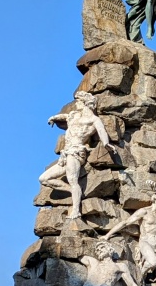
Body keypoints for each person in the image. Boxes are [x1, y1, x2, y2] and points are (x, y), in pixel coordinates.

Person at [38, 92, 111, 220]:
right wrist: (54, 117)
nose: (76, 104)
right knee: (44, 178)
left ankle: (76, 210)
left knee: (73, 180)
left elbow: (102, 131)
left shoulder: (93, 120)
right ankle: (74, 192)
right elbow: (65, 117)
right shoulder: (75, 116)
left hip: (76, 152)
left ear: (85, 103)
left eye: (78, 102)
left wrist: (106, 144)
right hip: (65, 153)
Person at [102, 185, 156, 286]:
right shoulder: (144, 212)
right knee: (153, 262)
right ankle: (140, 278)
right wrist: (107, 235)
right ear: (155, 201)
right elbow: (126, 223)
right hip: (146, 242)